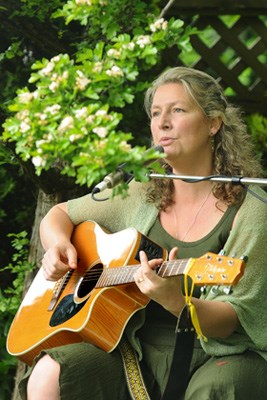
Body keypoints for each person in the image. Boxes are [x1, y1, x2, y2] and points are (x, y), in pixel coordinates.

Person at [19, 66, 267, 400]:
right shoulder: (140, 189)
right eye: (155, 113)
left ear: (213, 123)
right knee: (51, 373)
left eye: (177, 110)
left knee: (219, 388)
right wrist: (58, 245)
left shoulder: (253, 209)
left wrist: (175, 301)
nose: (162, 123)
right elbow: (59, 214)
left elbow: (233, 318)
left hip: (219, 353)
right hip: (132, 350)